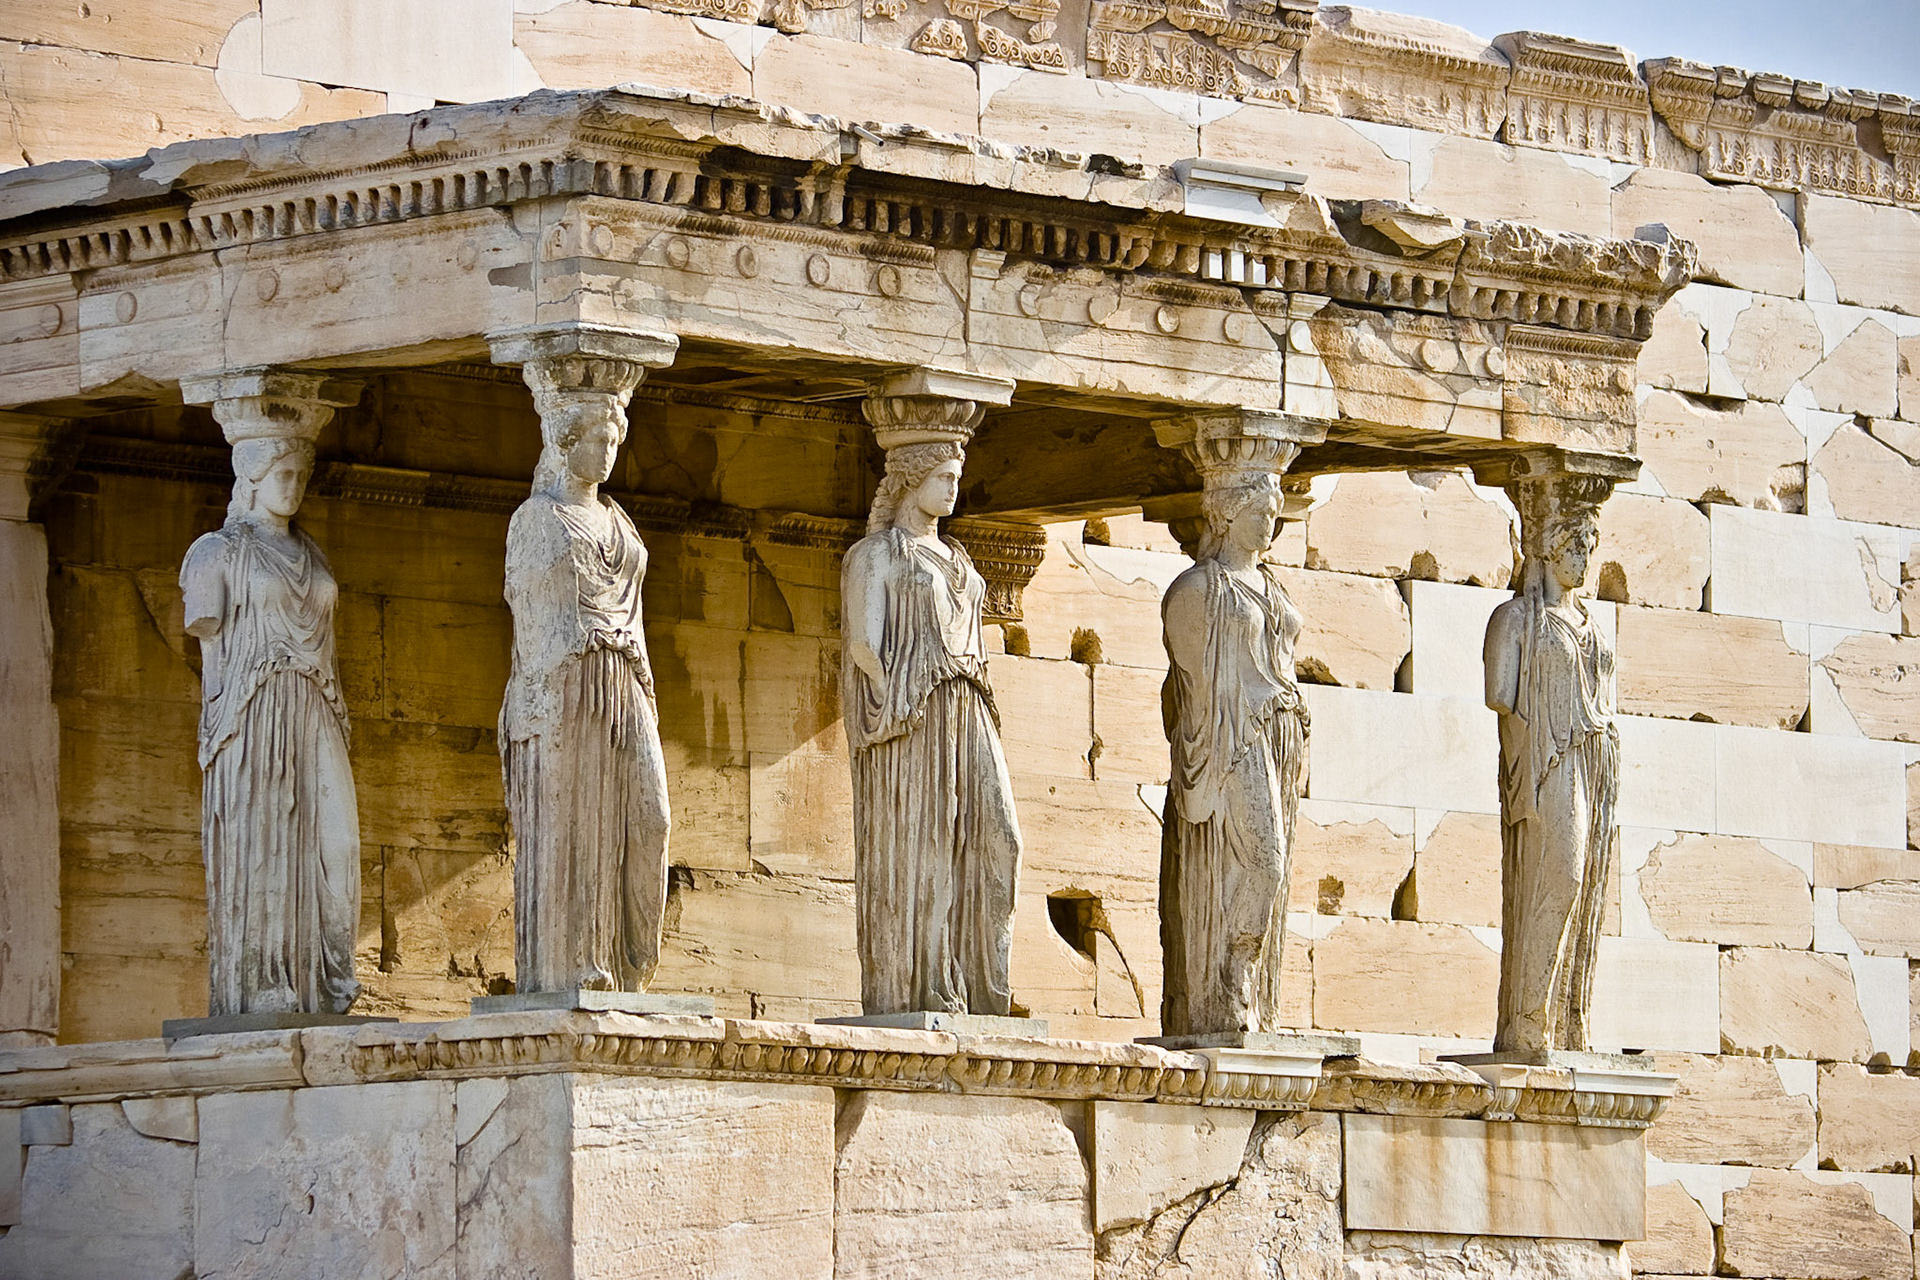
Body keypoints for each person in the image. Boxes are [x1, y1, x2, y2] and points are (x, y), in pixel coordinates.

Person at [182, 434, 360, 1016]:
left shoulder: (314, 555)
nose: (293, 484)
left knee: (338, 845)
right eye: (281, 472)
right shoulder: (216, 552)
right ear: (252, 476)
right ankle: (265, 981)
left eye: (300, 473)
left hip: (316, 704)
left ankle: (329, 981)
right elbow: (211, 652)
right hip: (253, 714)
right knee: (265, 839)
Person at [841, 443, 1022, 1016]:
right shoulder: (876, 555)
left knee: (1000, 837)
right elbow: (863, 643)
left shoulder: (960, 557)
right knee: (927, 844)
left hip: (970, 704)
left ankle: (983, 986)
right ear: (912, 479)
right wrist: (895, 690)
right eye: (942, 476)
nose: (952, 488)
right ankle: (923, 987)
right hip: (914, 713)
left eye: (956, 477)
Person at [500, 389, 669, 994]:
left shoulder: (618, 519)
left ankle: (628, 970)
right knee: (570, 827)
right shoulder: (536, 518)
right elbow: (530, 613)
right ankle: (569, 971)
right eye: (598, 439)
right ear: (565, 441)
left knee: (649, 818)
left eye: (615, 441)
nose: (608, 452)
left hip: (625, 679)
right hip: (567, 686)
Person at [1158, 471, 1307, 1037]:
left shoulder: (1273, 588)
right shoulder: (1197, 591)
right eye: (1260, 510)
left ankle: (1248, 990)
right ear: (1224, 513)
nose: (1271, 521)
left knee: (1277, 864)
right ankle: (1229, 975)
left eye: (1275, 511)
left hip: (1279, 734)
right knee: (1263, 862)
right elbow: (1190, 686)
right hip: (1231, 738)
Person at [1482, 477, 1619, 1053]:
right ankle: (1528, 1017)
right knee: (1558, 876)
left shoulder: (1590, 625)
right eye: (1574, 546)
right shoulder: (1515, 620)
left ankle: (1565, 1018)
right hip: (1546, 763)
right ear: (1546, 550)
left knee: (1585, 884)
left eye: (1590, 546)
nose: (1584, 557)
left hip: (1594, 760)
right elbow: (1500, 695)